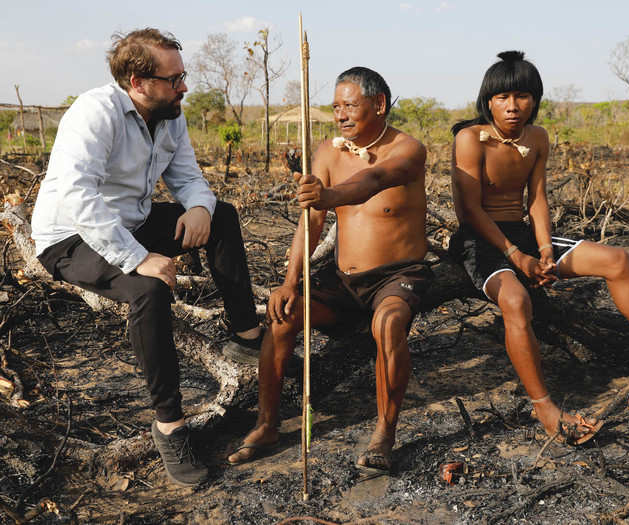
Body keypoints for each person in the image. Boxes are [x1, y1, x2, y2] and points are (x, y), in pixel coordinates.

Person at [31, 28, 263, 486]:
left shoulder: (170, 114)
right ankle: (170, 425)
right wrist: (137, 258)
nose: (184, 86)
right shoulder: (95, 113)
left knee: (224, 216)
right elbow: (80, 197)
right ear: (138, 81)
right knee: (151, 287)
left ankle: (247, 336)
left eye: (184, 75)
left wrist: (198, 207)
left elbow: (188, 175)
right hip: (70, 236)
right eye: (174, 78)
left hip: (130, 221)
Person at [449, 50, 629, 444]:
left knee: (616, 259)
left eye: (522, 96)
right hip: (480, 239)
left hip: (523, 232)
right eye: (502, 98)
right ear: (488, 101)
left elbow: (537, 200)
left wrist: (545, 249)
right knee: (516, 302)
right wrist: (518, 257)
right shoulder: (470, 139)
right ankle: (544, 407)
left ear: (535, 97)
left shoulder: (537, 137)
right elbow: (469, 210)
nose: (512, 106)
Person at [227, 67, 431, 472]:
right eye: (336, 106)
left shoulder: (407, 149)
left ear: (379, 104)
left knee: (388, 324)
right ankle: (267, 425)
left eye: (350, 105)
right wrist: (289, 282)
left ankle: (383, 434)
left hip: (397, 275)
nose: (341, 114)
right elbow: (312, 221)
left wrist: (329, 194)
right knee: (282, 317)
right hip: (342, 279)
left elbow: (375, 179)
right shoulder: (326, 152)